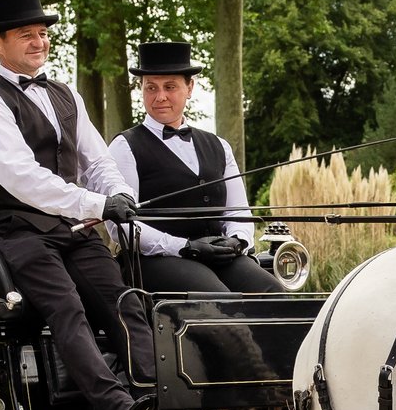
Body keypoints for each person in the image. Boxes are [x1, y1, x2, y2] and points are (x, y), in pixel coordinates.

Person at [0, 0, 155, 410]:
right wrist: (96, 203)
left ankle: (155, 399)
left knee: (123, 303)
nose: (39, 42)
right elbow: (21, 176)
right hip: (15, 228)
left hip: (73, 225)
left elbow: (97, 159)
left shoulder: (66, 94)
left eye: (42, 33)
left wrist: (120, 196)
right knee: (66, 308)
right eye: (26, 34)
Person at [106, 40, 282, 296]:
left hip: (218, 256)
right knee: (217, 301)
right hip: (154, 260)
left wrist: (236, 241)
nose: (160, 96)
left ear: (190, 87)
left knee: (273, 293)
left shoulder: (219, 146)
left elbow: (239, 212)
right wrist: (184, 246)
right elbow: (120, 226)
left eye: (170, 87)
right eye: (151, 88)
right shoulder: (124, 146)